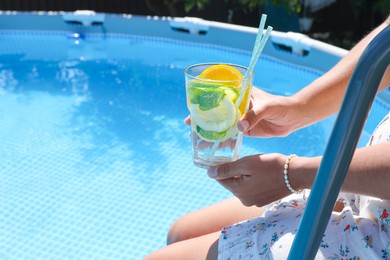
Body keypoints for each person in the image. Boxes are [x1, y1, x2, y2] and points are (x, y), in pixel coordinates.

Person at [145, 16, 390, 259]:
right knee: (182, 232)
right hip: (359, 187)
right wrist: (297, 109)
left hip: (379, 238)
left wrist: (292, 174)